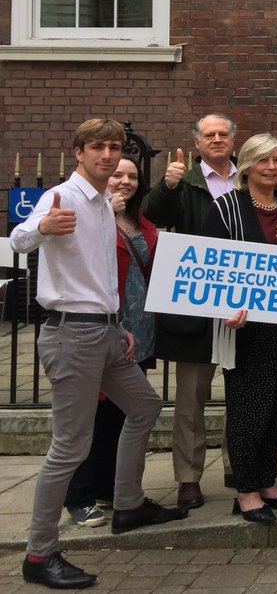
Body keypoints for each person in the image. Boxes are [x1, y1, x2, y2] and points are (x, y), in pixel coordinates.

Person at [14, 119, 185, 589]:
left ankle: (127, 504)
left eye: (114, 148)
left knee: (146, 405)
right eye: (98, 148)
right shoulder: (62, 197)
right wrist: (42, 228)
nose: (108, 156)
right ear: (79, 153)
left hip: (107, 332)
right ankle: (39, 553)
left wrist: (118, 324)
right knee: (70, 445)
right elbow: (20, 239)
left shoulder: (105, 206)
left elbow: (104, 269)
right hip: (72, 335)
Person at [201, 133, 277, 524]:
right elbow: (211, 264)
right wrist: (223, 306)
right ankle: (245, 491)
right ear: (246, 165)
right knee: (249, 407)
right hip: (246, 324)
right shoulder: (226, 207)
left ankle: (267, 481)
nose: (271, 168)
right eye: (263, 161)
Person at [142, 113, 237, 510]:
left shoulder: (249, 177)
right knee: (190, 398)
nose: (216, 139)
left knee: (245, 393)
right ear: (196, 143)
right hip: (197, 303)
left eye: (223, 134)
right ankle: (188, 477)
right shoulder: (184, 182)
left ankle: (240, 464)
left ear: (234, 140)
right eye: (208, 135)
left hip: (244, 302)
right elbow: (154, 214)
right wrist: (167, 186)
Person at [62, 155, 159, 529]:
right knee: (92, 415)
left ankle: (108, 488)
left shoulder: (139, 219)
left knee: (121, 414)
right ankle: (79, 495)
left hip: (138, 325)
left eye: (132, 176)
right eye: (118, 174)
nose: (125, 181)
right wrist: (104, 212)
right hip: (102, 326)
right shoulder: (89, 214)